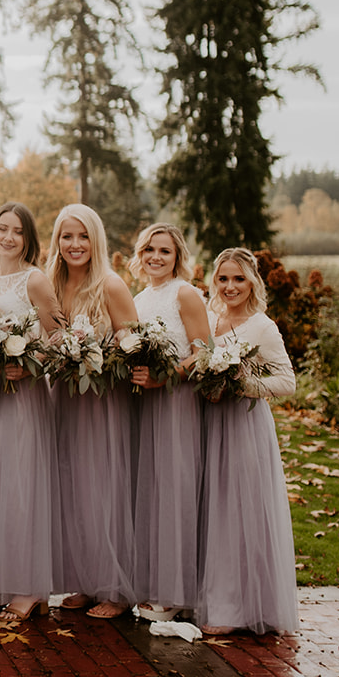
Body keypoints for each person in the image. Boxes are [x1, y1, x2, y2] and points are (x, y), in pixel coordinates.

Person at [196, 248, 298, 636]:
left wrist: (243, 383)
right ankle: (207, 596)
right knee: (209, 509)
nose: (230, 286)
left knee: (237, 513)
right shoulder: (207, 319)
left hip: (243, 427)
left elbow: (287, 382)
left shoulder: (262, 326)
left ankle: (236, 608)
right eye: (223, 279)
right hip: (207, 422)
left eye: (238, 279)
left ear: (253, 281)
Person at [47, 203, 138, 619]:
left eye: (83, 236)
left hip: (103, 402)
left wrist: (97, 356)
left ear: (96, 240)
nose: (75, 244)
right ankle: (85, 580)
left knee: (104, 487)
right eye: (67, 236)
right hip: (65, 397)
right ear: (57, 241)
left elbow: (134, 347)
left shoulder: (111, 285)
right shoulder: (50, 283)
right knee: (72, 486)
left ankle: (115, 589)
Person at [0, 201, 63, 623]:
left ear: (28, 238)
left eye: (16, 231)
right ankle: (3, 581)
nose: (8, 237)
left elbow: (58, 338)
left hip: (25, 393)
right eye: (1, 229)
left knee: (21, 484)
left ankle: (29, 588)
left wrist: (29, 363)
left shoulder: (35, 280)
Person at [128, 223, 212, 623]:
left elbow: (203, 352)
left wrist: (167, 376)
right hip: (145, 405)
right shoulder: (140, 298)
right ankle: (151, 580)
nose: (155, 257)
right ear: (140, 255)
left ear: (177, 256)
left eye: (164, 251)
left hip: (177, 402)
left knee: (175, 490)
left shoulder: (185, 293)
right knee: (151, 489)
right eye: (149, 250)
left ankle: (176, 591)